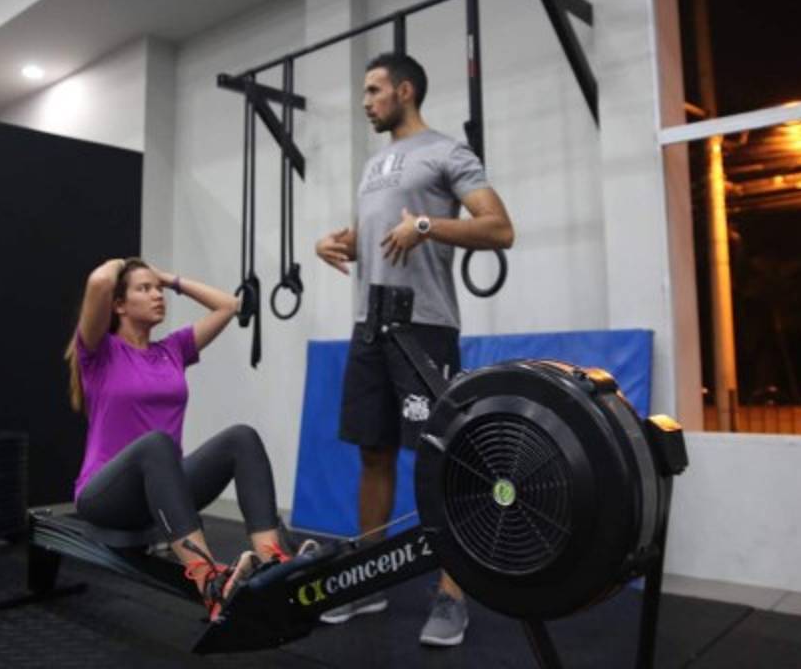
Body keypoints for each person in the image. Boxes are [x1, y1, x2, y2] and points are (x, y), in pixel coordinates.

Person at [314, 53, 515, 646]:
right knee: (373, 453)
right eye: (364, 91)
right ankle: (366, 582)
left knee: (441, 459)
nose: (366, 101)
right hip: (369, 326)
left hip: (423, 328)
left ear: (405, 91)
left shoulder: (448, 153)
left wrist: (427, 226)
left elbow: (499, 228)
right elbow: (380, 239)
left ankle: (453, 594)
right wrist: (340, 243)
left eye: (374, 90)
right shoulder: (373, 165)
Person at [65, 257, 310, 621]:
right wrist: (126, 264)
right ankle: (209, 583)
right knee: (157, 444)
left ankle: (274, 561)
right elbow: (99, 280)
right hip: (106, 497)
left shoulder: (172, 350)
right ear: (119, 305)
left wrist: (169, 279)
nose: (157, 295)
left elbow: (229, 305)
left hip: (164, 491)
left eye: (158, 290)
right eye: (144, 289)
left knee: (241, 438)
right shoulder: (100, 352)